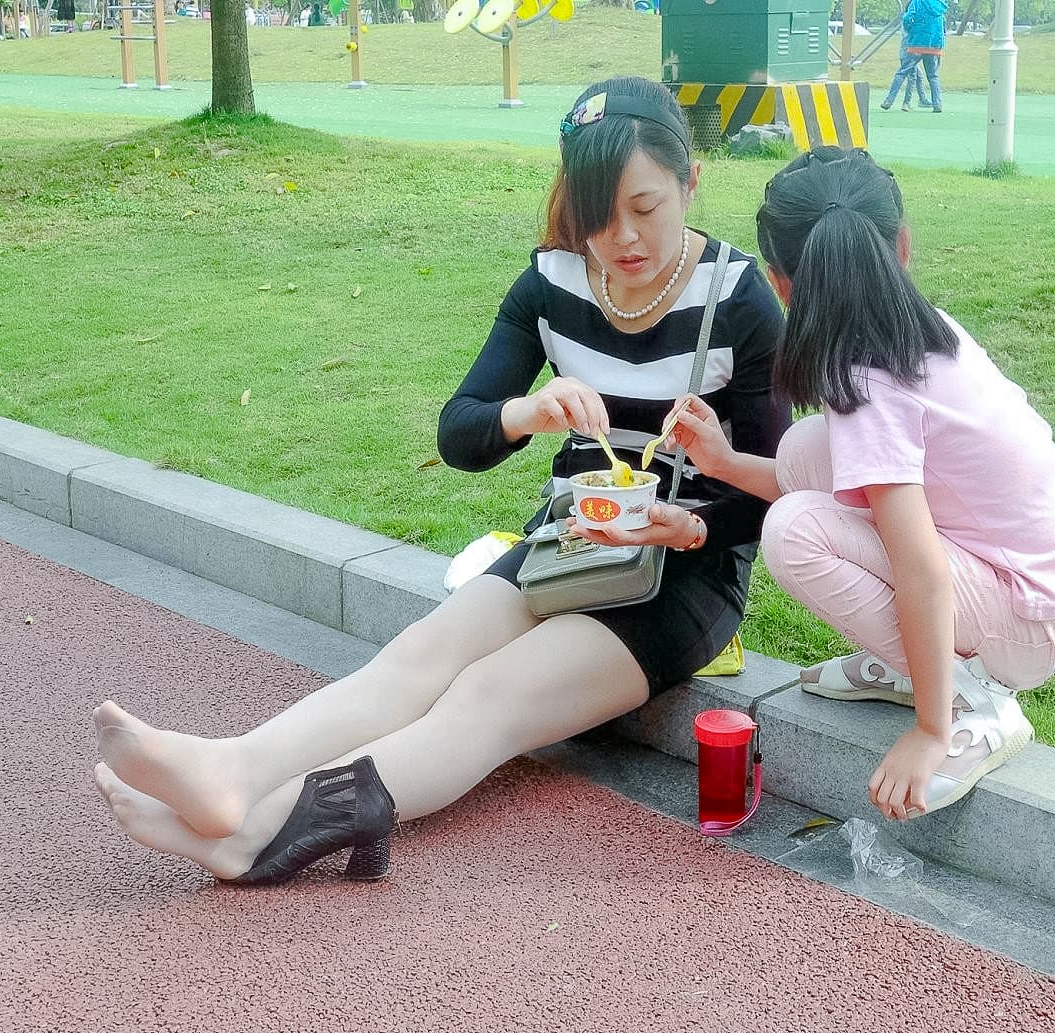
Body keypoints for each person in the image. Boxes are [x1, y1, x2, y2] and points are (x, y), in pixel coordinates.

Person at [89, 75, 791, 884]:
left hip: (684, 575)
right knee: (417, 657)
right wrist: (528, 413)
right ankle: (235, 773)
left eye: (645, 207)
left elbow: (776, 492)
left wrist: (692, 523)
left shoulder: (740, 303)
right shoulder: (552, 285)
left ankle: (254, 835)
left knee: (486, 696)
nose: (622, 238)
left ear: (689, 181)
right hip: (570, 541)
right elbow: (460, 434)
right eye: (596, 217)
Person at [663, 147, 1055, 821]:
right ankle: (922, 665)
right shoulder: (908, 336)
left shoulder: (870, 386)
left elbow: (920, 567)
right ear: (901, 246)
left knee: (794, 531)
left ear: (781, 286)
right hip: (1038, 582)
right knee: (810, 447)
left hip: (1029, 615)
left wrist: (930, 731)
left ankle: (969, 700)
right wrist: (722, 463)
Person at [881, 0, 946, 113]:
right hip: (934, 44)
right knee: (933, 76)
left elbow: (908, 18)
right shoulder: (939, 4)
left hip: (917, 42)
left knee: (902, 72)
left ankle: (889, 101)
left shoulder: (916, 2)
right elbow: (942, 24)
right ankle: (937, 104)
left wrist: (909, 29)